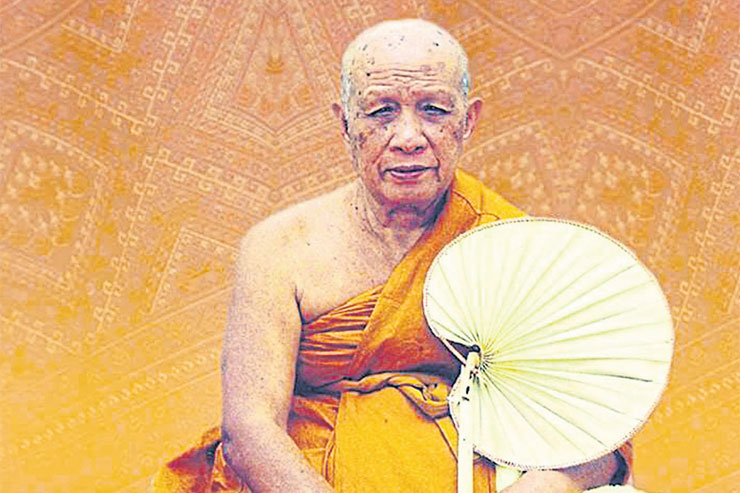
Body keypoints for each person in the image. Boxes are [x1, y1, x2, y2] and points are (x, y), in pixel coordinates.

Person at [153, 19, 632, 493]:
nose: (408, 137)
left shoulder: (512, 246)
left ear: (468, 121)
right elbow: (249, 429)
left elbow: (600, 435)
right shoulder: (279, 247)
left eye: (433, 110)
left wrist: (542, 486)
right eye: (381, 112)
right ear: (345, 124)